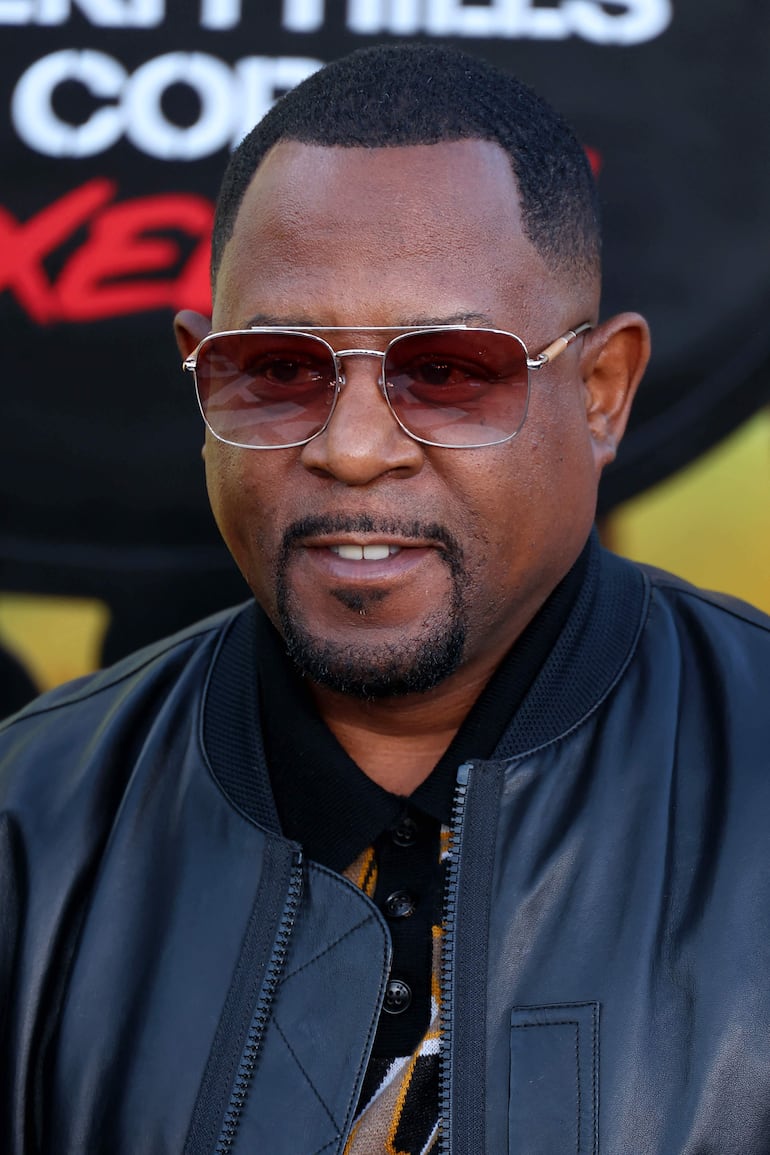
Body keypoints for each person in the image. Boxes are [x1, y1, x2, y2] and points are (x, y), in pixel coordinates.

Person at [1, 43, 769, 1155]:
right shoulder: (35, 821)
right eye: (276, 370)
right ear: (199, 374)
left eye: (449, 371)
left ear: (600, 394)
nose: (354, 450)